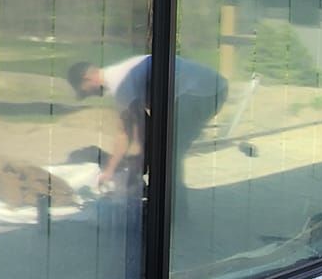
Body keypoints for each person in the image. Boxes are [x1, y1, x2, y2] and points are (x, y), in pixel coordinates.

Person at [67, 54, 228, 193]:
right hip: (208, 88)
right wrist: (110, 171)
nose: (89, 95)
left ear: (87, 78)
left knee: (170, 152)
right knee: (164, 147)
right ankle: (162, 194)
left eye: (84, 90)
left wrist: (135, 168)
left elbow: (139, 130)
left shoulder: (119, 84)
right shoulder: (119, 81)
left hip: (202, 92)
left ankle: (174, 207)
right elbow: (126, 130)